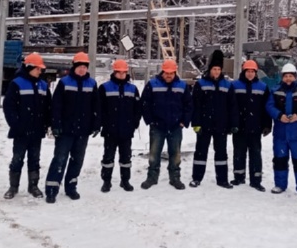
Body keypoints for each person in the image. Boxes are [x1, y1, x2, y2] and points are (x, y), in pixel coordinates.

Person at [44, 52, 100, 203]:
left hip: (83, 130)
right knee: (59, 159)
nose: (82, 69)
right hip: (65, 130)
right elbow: (56, 106)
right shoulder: (64, 83)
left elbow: (96, 106)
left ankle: (71, 187)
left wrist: (96, 124)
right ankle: (51, 189)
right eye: (79, 66)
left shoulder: (92, 84)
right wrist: (56, 125)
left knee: (77, 160)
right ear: (74, 67)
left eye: (84, 67)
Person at [2, 52, 52, 199]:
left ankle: (33, 186)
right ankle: (13, 187)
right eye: (38, 68)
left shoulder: (43, 85)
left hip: (37, 131)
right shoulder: (17, 83)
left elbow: (48, 107)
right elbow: (9, 106)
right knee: (17, 159)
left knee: (34, 159)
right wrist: (16, 125)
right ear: (29, 67)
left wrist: (47, 123)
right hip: (21, 131)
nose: (40, 71)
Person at [140, 58, 193, 190]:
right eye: (166, 73)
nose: (169, 75)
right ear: (162, 71)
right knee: (154, 154)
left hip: (175, 126)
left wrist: (184, 121)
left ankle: (175, 178)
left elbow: (189, 105)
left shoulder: (182, 86)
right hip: (157, 126)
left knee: (175, 154)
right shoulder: (152, 84)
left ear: (175, 72)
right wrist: (150, 120)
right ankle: (152, 177)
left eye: (171, 73)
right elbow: (145, 103)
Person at [189, 50, 238, 189]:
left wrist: (233, 123)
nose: (216, 72)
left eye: (218, 69)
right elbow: (196, 105)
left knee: (221, 153)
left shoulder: (227, 85)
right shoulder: (200, 84)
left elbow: (232, 106)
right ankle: (196, 178)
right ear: (210, 69)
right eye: (214, 69)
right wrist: (196, 123)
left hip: (221, 125)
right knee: (200, 152)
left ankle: (222, 179)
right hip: (204, 124)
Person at [265, 63, 297, 199]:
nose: (288, 79)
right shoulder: (275, 90)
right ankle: (280, 184)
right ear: (282, 77)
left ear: (295, 77)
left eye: (290, 76)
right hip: (280, 133)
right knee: (280, 159)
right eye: (286, 76)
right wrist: (278, 115)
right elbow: (269, 106)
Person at [99, 59, 141, 193]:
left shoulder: (132, 89)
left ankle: (125, 180)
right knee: (108, 157)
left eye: (124, 72)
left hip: (126, 130)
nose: (122, 75)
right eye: (119, 72)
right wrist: (103, 124)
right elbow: (100, 109)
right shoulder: (105, 88)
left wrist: (134, 123)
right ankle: (106, 181)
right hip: (110, 130)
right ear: (114, 72)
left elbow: (137, 108)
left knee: (126, 158)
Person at [230, 59, 272, 191]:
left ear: (256, 72)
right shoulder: (235, 85)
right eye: (247, 71)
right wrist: (232, 123)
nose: (250, 74)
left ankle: (256, 180)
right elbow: (231, 107)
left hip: (255, 126)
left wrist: (267, 125)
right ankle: (238, 177)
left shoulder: (263, 87)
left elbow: (266, 108)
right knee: (239, 152)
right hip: (239, 126)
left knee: (255, 153)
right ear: (243, 72)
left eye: (252, 71)